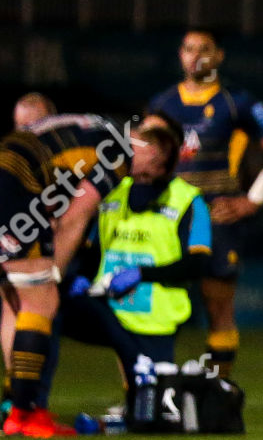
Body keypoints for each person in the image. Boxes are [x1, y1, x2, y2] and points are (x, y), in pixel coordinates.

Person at [0, 113, 131, 437]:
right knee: (41, 302)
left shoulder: (78, 129)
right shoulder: (120, 149)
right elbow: (77, 216)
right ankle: (26, 415)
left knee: (14, 303)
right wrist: (56, 274)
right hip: (9, 190)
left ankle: (14, 404)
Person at [148, 28, 263, 380]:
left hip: (217, 216)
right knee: (156, 307)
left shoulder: (237, 102)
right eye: (188, 48)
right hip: (168, 218)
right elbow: (143, 157)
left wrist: (252, 201)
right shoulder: (163, 104)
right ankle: (150, 385)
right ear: (180, 55)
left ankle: (218, 388)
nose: (195, 55)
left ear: (218, 56)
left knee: (218, 306)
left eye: (204, 49)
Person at [60, 118, 212, 379]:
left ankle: (126, 413)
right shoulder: (113, 191)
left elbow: (197, 264)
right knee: (44, 314)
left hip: (154, 317)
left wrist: (141, 274)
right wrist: (83, 277)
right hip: (106, 306)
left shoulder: (189, 200)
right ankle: (26, 405)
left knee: (150, 395)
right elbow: (94, 249)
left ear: (165, 163)